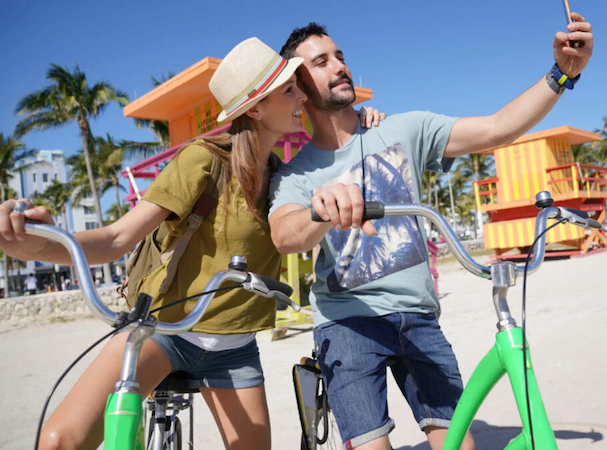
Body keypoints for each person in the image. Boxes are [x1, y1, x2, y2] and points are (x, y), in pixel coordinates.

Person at [0, 37, 383, 450]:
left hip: (235, 348)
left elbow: (336, 150)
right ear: (254, 108)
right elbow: (117, 237)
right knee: (60, 441)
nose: (302, 95)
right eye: (289, 89)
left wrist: (364, 120)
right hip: (164, 331)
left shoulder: (286, 179)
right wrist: (43, 246)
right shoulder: (202, 160)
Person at [269, 16, 593, 450]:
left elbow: (497, 128)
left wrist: (562, 74)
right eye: (322, 61)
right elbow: (285, 234)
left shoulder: (404, 128)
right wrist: (320, 212)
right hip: (346, 322)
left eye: (340, 56)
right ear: (300, 85)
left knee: (458, 441)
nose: (339, 66)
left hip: (418, 316)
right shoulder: (297, 174)